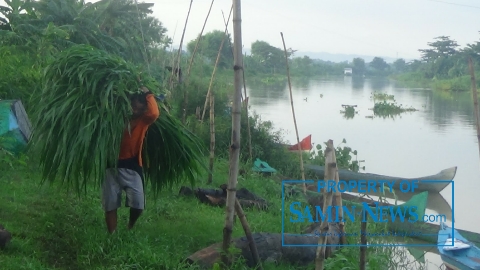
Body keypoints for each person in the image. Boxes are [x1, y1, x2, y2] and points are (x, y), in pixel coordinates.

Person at [101, 86, 160, 234]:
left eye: (140, 106)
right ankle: (112, 235)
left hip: (132, 164)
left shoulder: (143, 121)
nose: (135, 109)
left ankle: (130, 226)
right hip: (111, 164)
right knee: (110, 204)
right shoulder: (116, 116)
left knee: (138, 205)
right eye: (133, 104)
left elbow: (154, 112)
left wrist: (148, 93)